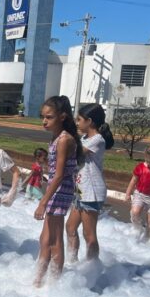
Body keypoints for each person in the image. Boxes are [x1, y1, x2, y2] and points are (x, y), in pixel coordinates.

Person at [33, 95, 83, 287]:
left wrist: (43, 201)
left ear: (62, 117)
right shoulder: (57, 137)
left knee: (54, 240)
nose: (44, 121)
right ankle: (38, 280)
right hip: (57, 188)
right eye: (42, 116)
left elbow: (60, 174)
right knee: (44, 238)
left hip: (60, 190)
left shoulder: (64, 139)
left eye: (49, 117)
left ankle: (54, 285)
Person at [66, 103, 112, 262]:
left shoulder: (97, 140)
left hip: (92, 192)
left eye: (79, 119)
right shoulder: (84, 138)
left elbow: (75, 152)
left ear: (90, 121)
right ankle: (72, 262)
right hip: (80, 191)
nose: (77, 122)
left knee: (89, 235)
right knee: (70, 228)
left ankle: (92, 268)